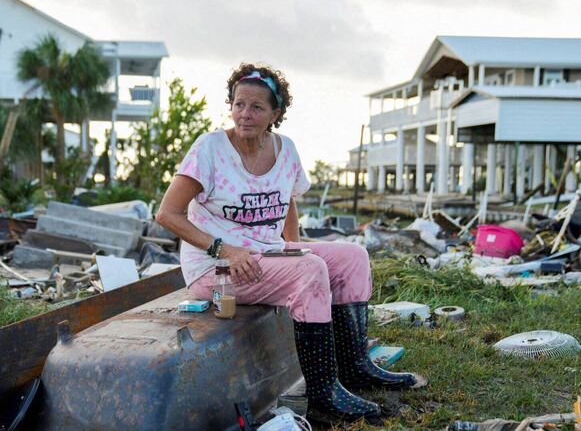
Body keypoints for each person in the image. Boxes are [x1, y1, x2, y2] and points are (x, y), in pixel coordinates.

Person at [156, 63, 425, 423]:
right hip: (217, 269)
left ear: (275, 114)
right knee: (309, 269)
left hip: (266, 254)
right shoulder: (210, 149)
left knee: (353, 255)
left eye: (256, 107)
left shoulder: (286, 149)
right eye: (238, 104)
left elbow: (288, 200)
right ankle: (324, 394)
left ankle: (356, 367)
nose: (245, 114)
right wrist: (225, 250)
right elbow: (168, 214)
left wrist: (294, 247)